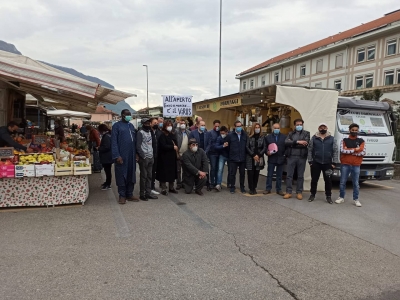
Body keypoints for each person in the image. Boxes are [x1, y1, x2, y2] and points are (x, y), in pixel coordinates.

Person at [335, 123, 366, 207]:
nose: (354, 131)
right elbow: (343, 150)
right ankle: (341, 197)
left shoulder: (361, 140)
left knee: (356, 183)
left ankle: (356, 199)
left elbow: (363, 152)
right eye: (353, 130)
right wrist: (355, 150)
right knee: (342, 182)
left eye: (356, 130)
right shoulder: (344, 140)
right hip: (345, 164)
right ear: (349, 130)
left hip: (356, 164)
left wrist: (350, 151)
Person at [111, 109, 139, 204]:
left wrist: (136, 153)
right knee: (121, 175)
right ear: (122, 115)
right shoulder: (116, 126)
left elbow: (134, 141)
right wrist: (117, 155)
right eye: (127, 115)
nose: (129, 116)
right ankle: (122, 195)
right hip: (121, 155)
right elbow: (114, 142)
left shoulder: (131, 126)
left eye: (130, 115)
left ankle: (129, 194)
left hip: (131, 155)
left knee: (131, 174)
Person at [307, 123, 339, 204]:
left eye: (324, 127)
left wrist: (334, 162)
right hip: (316, 163)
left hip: (328, 163)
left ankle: (328, 196)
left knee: (328, 181)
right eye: (321, 127)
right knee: (314, 180)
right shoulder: (314, 138)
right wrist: (310, 161)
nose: (322, 129)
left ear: (327, 128)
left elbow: (335, 150)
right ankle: (312, 194)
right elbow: (310, 150)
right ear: (318, 128)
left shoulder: (332, 138)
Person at [283, 119, 310, 200]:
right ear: (294, 125)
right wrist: (298, 142)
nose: (299, 126)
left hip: (302, 157)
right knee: (289, 175)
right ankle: (289, 192)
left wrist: (293, 143)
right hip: (291, 156)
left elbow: (306, 143)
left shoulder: (306, 133)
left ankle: (299, 192)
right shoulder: (290, 133)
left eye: (301, 124)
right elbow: (286, 142)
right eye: (297, 124)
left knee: (300, 176)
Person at [136, 118, 158, 201]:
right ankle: (142, 194)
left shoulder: (150, 132)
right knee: (143, 176)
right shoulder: (140, 133)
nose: (148, 125)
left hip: (150, 157)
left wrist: (152, 155)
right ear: (143, 124)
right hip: (144, 158)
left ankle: (148, 193)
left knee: (150, 176)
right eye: (146, 123)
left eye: (149, 123)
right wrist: (143, 156)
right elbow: (138, 146)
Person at [156, 120, 178, 195]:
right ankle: (163, 188)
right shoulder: (162, 135)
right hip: (164, 157)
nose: (170, 127)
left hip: (172, 157)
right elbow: (163, 146)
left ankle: (171, 187)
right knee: (164, 173)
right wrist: (172, 147)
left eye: (170, 125)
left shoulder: (172, 134)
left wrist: (175, 147)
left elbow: (176, 143)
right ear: (165, 126)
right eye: (168, 125)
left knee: (172, 173)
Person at [263, 123, 286, 196]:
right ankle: (268, 188)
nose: (277, 129)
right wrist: (267, 152)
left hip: (280, 158)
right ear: (272, 128)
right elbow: (265, 147)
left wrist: (285, 155)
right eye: (275, 128)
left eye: (278, 128)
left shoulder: (284, 137)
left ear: (280, 129)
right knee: (269, 174)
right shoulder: (268, 137)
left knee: (279, 175)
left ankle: (279, 189)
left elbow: (287, 147)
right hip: (272, 158)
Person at [226, 120, 248, 194]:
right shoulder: (230, 135)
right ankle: (232, 187)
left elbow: (247, 146)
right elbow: (227, 147)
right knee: (232, 173)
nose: (239, 127)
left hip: (242, 158)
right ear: (234, 127)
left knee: (242, 174)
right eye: (238, 126)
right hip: (233, 158)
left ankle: (242, 187)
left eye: (240, 126)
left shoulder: (245, 135)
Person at [189, 120, 210, 189]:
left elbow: (209, 144)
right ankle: (195, 183)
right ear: (197, 125)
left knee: (205, 167)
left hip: (204, 153)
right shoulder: (193, 133)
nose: (203, 127)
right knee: (196, 168)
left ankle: (207, 183)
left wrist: (205, 152)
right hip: (196, 152)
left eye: (204, 125)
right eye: (201, 125)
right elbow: (190, 143)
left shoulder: (207, 133)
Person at [246, 123, 266, 195]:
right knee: (250, 173)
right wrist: (253, 155)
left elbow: (264, 147)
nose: (257, 129)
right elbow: (247, 147)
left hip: (259, 158)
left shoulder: (262, 137)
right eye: (256, 127)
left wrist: (259, 155)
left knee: (256, 174)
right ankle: (251, 188)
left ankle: (254, 187)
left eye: (258, 127)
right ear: (253, 128)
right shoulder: (249, 137)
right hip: (250, 157)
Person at [175, 119, 190, 190]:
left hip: (186, 155)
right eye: (181, 123)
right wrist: (176, 122)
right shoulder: (176, 132)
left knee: (185, 170)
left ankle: (184, 183)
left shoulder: (189, 132)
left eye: (184, 123)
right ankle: (178, 183)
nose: (183, 124)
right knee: (178, 170)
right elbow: (172, 130)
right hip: (178, 154)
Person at [206, 120, 221, 190]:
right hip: (212, 153)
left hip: (220, 153)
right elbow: (209, 143)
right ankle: (212, 183)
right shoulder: (210, 132)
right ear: (213, 125)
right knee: (213, 168)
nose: (217, 127)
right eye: (216, 126)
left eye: (218, 126)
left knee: (218, 169)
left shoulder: (221, 132)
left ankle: (217, 183)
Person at [98, 124, 113, 190]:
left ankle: (108, 184)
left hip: (107, 156)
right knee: (107, 170)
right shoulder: (108, 135)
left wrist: (99, 148)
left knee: (108, 171)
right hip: (107, 156)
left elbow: (107, 147)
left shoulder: (106, 136)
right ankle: (107, 182)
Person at [214, 126, 230, 191]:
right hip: (222, 155)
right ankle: (218, 184)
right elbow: (216, 146)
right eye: (221, 133)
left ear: (226, 132)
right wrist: (223, 146)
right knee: (220, 170)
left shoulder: (230, 137)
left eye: (223, 133)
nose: (222, 135)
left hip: (230, 156)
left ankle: (230, 183)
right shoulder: (219, 138)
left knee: (231, 170)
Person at [150, 118, 160, 195]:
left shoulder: (158, 132)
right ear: (150, 123)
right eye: (154, 123)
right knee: (149, 172)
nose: (156, 124)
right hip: (149, 155)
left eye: (157, 123)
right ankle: (149, 187)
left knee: (154, 172)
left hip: (157, 155)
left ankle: (152, 186)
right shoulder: (148, 132)